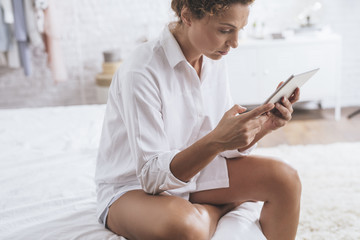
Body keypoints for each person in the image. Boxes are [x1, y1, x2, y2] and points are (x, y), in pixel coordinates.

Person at [95, 0, 302, 239]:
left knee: (286, 180)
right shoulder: (141, 71)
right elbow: (151, 177)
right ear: (187, 16)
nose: (234, 43)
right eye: (225, 30)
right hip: (134, 188)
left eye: (239, 30)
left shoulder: (212, 59)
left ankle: (211, 212)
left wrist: (264, 127)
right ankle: (221, 208)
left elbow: (224, 143)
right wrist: (216, 141)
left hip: (197, 169)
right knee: (187, 228)